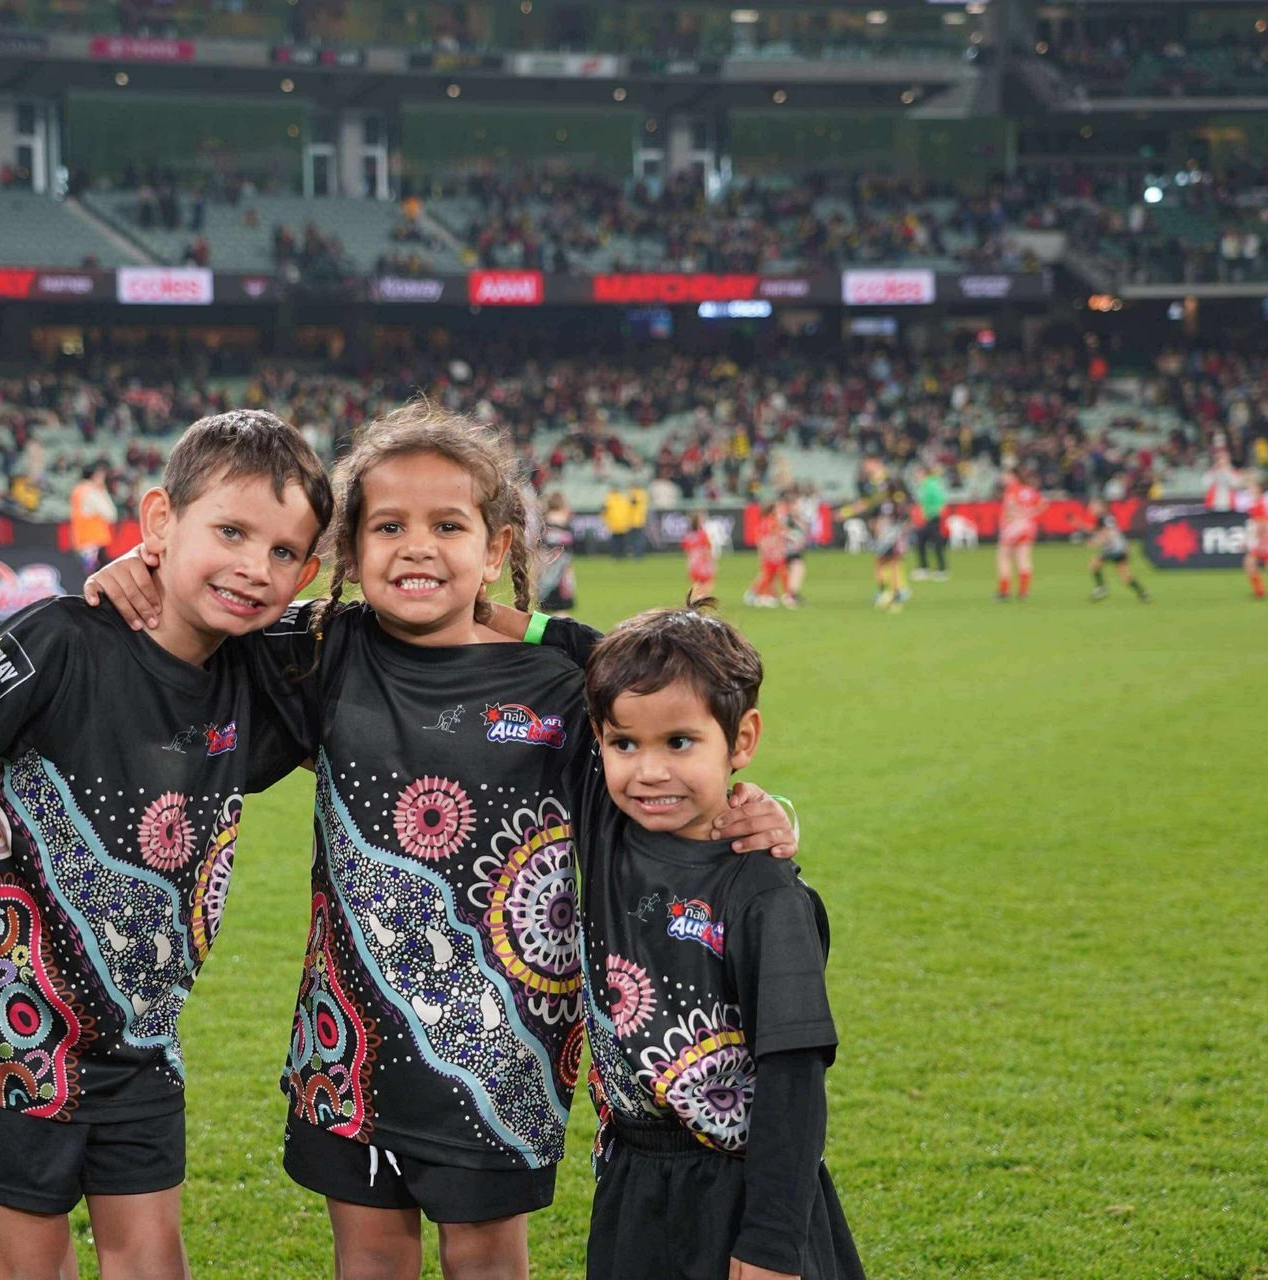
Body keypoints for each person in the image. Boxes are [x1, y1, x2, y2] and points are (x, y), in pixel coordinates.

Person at [83, 403, 798, 1280]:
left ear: (496, 550)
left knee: (487, 1263)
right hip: (348, 1041)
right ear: (348, 552)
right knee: (370, 1260)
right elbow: (206, 616)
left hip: (506, 1052)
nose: (416, 547)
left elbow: (662, 719)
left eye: (447, 526)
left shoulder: (562, 685)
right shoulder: (322, 652)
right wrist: (144, 564)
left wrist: (758, 810)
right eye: (389, 526)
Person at [0, 411, 331, 1279]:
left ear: (309, 571)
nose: (254, 566)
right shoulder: (61, 638)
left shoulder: (260, 674)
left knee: (153, 1262)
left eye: (284, 553)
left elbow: (415, 620)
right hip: (7, 1031)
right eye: (231, 532)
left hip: (141, 1040)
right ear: (160, 519)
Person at [572, 605, 865, 1280]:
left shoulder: (766, 897)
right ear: (599, 738)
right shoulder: (605, 828)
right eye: (624, 744)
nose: (648, 772)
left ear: (742, 740)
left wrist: (770, 1244)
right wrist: (651, 643)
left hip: (740, 1187)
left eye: (680, 742)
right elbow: (575, 655)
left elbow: (794, 1083)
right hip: (632, 1180)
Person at [1086, 498, 1150, 604]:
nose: (1091, 508)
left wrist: (1095, 541)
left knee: (1094, 564)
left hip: (1115, 548)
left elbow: (1107, 532)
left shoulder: (1104, 517)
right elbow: (1099, 531)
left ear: (1100, 507)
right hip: (1121, 548)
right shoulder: (1104, 518)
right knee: (1125, 576)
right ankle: (1143, 593)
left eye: (1093, 506)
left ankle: (1101, 588)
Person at [994, 468, 1043, 602]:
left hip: (1013, 526)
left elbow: (1010, 507)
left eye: (1006, 475)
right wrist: (1028, 515)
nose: (1004, 478)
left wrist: (1016, 516)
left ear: (1014, 476)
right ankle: (1023, 591)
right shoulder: (1029, 490)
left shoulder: (1012, 489)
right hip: (1028, 526)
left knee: (1003, 557)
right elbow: (1041, 506)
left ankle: (1004, 591)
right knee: (1024, 557)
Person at [70, 462, 120, 574]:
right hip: (94, 541)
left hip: (83, 541)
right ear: (93, 475)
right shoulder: (91, 491)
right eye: (100, 475)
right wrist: (103, 490)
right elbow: (111, 515)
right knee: (98, 579)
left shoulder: (79, 489)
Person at [536, 490, 577, 613]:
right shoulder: (567, 526)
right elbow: (569, 554)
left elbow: (539, 551)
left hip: (545, 572)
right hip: (562, 575)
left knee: (542, 612)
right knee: (561, 612)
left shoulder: (543, 525)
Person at [744, 500, 789, 609]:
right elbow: (765, 539)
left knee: (771, 574)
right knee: (770, 574)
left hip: (774, 553)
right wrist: (770, 550)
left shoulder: (770, 521)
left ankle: (764, 594)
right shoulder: (769, 522)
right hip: (772, 554)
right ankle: (761, 595)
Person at [870, 501, 909, 613]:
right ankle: (892, 592)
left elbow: (874, 522)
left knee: (886, 564)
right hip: (891, 539)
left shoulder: (886, 504)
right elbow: (906, 521)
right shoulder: (897, 503)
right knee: (890, 564)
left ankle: (889, 593)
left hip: (888, 540)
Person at [912, 466, 950, 581]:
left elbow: (941, 500)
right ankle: (927, 568)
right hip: (927, 517)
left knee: (933, 542)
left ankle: (940, 569)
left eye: (918, 474)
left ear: (924, 474)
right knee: (922, 542)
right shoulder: (926, 485)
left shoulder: (931, 485)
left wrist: (935, 513)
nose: (916, 477)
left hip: (932, 517)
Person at [683, 512, 717, 599]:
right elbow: (707, 549)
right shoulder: (702, 534)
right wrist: (712, 562)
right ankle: (698, 599)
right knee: (708, 584)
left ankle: (694, 599)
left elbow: (687, 552)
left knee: (697, 584)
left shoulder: (688, 535)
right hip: (702, 563)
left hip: (692, 564)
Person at [603, 485, 632, 559]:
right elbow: (629, 510)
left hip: (614, 524)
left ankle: (615, 554)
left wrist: (606, 521)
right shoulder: (623, 498)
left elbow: (604, 511)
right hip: (622, 523)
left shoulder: (608, 499)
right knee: (622, 541)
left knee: (615, 541)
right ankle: (622, 554)